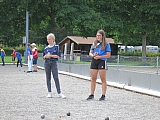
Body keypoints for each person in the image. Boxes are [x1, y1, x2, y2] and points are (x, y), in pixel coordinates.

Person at [86, 29, 111, 101]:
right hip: (94, 60)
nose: (98, 37)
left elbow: (108, 55)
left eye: (99, 35)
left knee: (103, 79)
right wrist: (93, 55)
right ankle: (92, 94)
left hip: (102, 61)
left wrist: (100, 57)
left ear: (102, 36)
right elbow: (90, 53)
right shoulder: (94, 44)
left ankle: (103, 95)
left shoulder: (106, 44)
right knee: (93, 78)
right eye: (97, 35)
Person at [43, 33, 66, 99]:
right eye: (47, 39)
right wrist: (46, 56)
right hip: (47, 62)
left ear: (53, 39)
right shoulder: (46, 48)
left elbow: (58, 56)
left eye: (49, 39)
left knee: (56, 77)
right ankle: (49, 92)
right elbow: (44, 56)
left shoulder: (56, 47)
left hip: (53, 62)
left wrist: (50, 56)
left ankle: (59, 92)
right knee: (48, 77)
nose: (48, 40)